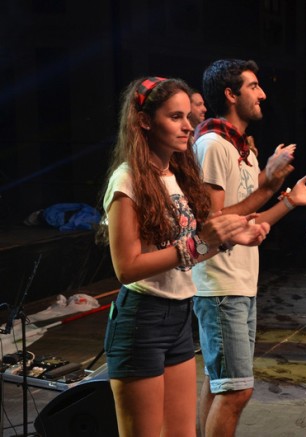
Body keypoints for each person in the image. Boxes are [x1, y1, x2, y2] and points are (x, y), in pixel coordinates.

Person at [98, 76, 269, 436]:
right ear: (145, 121)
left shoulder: (176, 176)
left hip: (178, 315)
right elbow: (126, 268)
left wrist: (228, 239)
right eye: (175, 117)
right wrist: (199, 244)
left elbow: (187, 255)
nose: (188, 126)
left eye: (188, 116)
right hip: (142, 319)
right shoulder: (127, 180)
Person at [192, 59, 306, 437]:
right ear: (231, 95)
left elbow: (251, 219)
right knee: (236, 390)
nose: (263, 94)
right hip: (219, 285)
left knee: (220, 382)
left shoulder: (244, 150)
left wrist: (289, 200)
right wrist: (267, 186)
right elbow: (212, 224)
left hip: (241, 282)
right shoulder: (212, 144)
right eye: (253, 86)